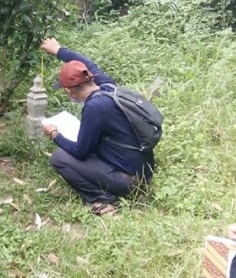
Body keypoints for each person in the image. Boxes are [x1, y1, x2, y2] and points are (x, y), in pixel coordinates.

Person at [40, 37, 155, 215]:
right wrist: (58, 50)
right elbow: (87, 62)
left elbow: (80, 152)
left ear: (68, 91)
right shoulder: (108, 86)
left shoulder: (94, 108)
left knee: (59, 158)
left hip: (130, 180)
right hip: (144, 168)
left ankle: (105, 199)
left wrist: (55, 134)